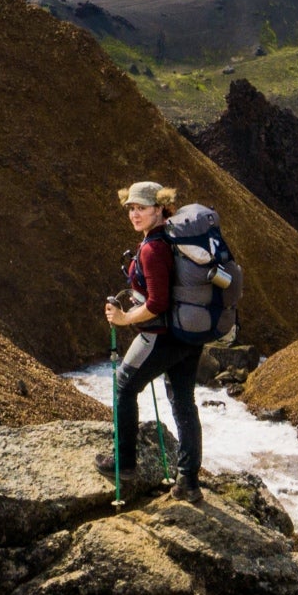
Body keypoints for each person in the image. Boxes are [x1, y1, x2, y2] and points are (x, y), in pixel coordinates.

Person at [100, 180, 203, 502]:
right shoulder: (173, 240)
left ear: (160, 208)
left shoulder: (153, 249)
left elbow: (157, 303)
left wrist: (124, 319)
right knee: (184, 403)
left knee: (124, 386)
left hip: (162, 336)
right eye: (131, 208)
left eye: (141, 207)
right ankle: (188, 482)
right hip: (189, 334)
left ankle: (124, 463)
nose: (135, 213)